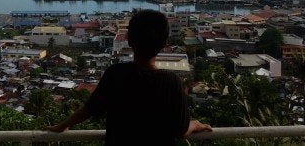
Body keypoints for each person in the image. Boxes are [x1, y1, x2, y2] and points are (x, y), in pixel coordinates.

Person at [47, 9, 211, 144]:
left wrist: (63, 125)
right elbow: (181, 131)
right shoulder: (171, 82)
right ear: (164, 43)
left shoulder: (116, 73)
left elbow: (90, 109)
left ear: (129, 40)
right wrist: (195, 125)